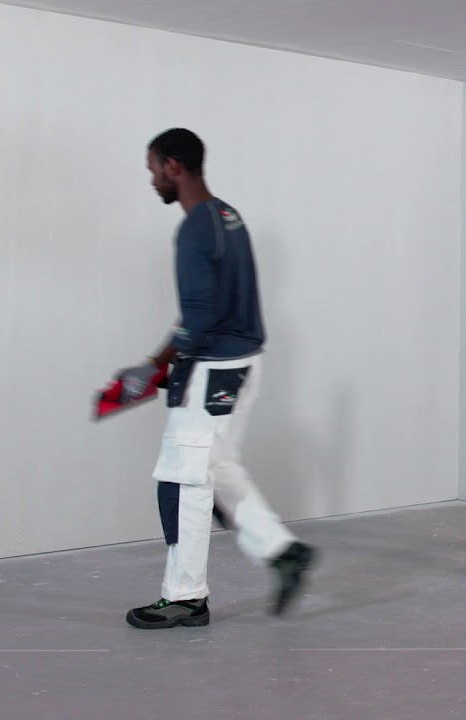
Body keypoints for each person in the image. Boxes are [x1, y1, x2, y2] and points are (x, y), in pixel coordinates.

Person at [114, 128, 316, 628]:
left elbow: (198, 318)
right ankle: (283, 551)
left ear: (174, 166)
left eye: (153, 170)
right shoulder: (229, 216)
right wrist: (167, 366)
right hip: (241, 364)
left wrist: (154, 364)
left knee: (184, 480)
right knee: (217, 468)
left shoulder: (195, 228)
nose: (152, 181)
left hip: (214, 369)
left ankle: (185, 597)